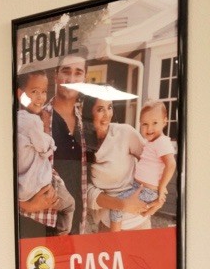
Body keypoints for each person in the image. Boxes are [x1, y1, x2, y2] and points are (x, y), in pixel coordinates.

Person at [14, 70, 74, 236]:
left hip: (22, 188)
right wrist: (46, 129)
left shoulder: (15, 119)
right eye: (34, 91)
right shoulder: (32, 121)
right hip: (38, 185)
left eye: (43, 92)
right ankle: (62, 236)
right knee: (70, 205)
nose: (40, 97)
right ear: (20, 94)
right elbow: (45, 148)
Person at [104, 100, 177, 230]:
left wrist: (161, 188)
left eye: (155, 123)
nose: (149, 128)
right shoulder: (152, 142)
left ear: (165, 121)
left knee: (117, 206)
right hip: (140, 187)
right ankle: (147, 211)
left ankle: (114, 236)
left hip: (148, 191)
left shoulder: (162, 142)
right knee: (120, 203)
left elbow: (171, 165)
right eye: (145, 124)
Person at [85, 97, 152, 230]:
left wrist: (157, 195)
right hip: (108, 225)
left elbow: (152, 162)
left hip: (138, 222)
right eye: (100, 109)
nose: (107, 115)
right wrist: (122, 204)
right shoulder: (82, 143)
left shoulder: (125, 133)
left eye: (109, 107)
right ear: (89, 112)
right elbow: (85, 190)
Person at [47, 52, 90, 233]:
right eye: (66, 71)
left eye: (78, 73)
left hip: (76, 221)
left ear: (84, 79)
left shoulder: (85, 124)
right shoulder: (39, 118)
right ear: (55, 75)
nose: (71, 79)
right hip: (44, 219)